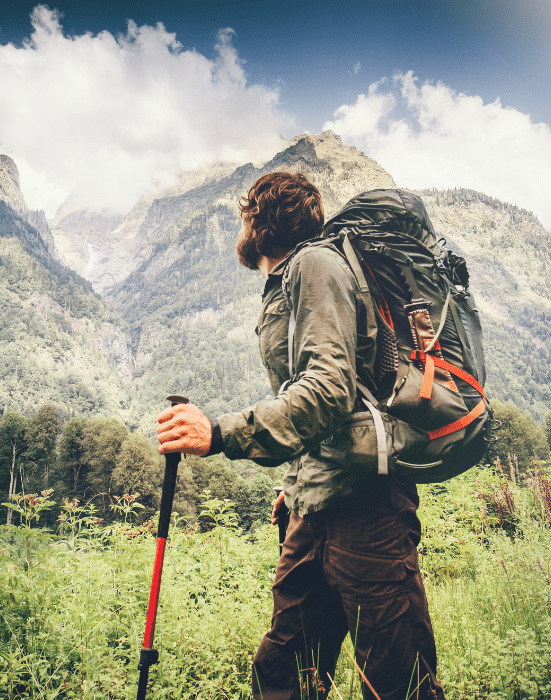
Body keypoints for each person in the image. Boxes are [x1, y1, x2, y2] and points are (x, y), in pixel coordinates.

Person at [156, 172, 446, 700]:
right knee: (286, 669)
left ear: (261, 221)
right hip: (313, 509)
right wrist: (296, 480)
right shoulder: (291, 279)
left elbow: (330, 389)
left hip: (369, 511)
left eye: (244, 216)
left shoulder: (315, 263)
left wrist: (219, 433)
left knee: (397, 683)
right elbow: (327, 389)